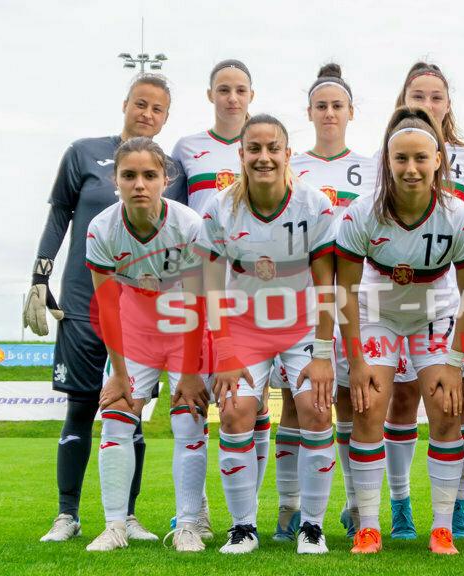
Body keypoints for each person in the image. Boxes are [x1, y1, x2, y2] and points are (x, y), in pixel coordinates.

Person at [28, 74, 184, 543]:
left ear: (166, 116)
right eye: (141, 104)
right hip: (82, 302)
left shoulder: (170, 168)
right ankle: (67, 515)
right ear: (125, 104)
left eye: (158, 109)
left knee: (129, 409)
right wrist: (40, 276)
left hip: (140, 313)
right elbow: (59, 214)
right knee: (79, 408)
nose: (148, 114)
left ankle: (126, 516)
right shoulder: (83, 152)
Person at [336, 106, 464, 555]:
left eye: (421, 158)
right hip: (377, 309)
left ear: (439, 159)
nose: (411, 168)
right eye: (401, 159)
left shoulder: (457, 216)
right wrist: (358, 363)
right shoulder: (361, 213)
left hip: (434, 312)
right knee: (367, 409)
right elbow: (342, 292)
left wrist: (456, 360)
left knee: (445, 409)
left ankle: (441, 527)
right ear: (387, 161)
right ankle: (369, 525)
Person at [197, 114, 337, 555]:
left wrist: (323, 351)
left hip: (302, 328)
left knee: (316, 412)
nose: (263, 157)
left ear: (287, 154)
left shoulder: (314, 205)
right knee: (236, 412)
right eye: (253, 149)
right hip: (243, 330)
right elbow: (211, 284)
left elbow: (329, 284)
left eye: (272, 148)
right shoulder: (220, 208)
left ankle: (312, 527)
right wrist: (222, 348)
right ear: (240, 155)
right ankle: (243, 528)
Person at [382, 61, 464, 540]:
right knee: (402, 398)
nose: (427, 104)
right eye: (418, 95)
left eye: (436, 97)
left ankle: (458, 508)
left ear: (448, 105)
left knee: (458, 402)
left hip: (452, 300)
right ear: (403, 100)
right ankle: (401, 506)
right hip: (393, 301)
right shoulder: (386, 155)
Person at [83, 137, 210, 552]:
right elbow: (106, 308)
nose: (140, 184)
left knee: (188, 422)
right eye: (129, 175)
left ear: (166, 179)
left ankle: (189, 525)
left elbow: (197, 302)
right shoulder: (101, 229)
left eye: (150, 175)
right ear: (114, 179)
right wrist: (119, 375)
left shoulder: (189, 224)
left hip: (185, 332)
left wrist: (190, 374)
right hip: (134, 333)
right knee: (117, 418)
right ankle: (115, 526)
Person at [274, 63, 378, 541]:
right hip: (305, 298)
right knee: (299, 406)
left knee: (350, 401)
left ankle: (357, 507)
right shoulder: (292, 168)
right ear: (309, 113)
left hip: (356, 297)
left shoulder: (374, 166)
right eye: (321, 106)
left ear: (351, 111)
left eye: (338, 105)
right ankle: (289, 508)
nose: (330, 112)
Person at [171, 59, 266, 539]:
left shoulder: (265, 147)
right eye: (224, 90)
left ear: (252, 95)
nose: (232, 98)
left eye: (241, 90)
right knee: (200, 402)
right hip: (202, 286)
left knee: (251, 406)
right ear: (210, 94)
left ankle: (254, 515)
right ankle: (194, 512)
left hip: (255, 299)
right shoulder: (188, 149)